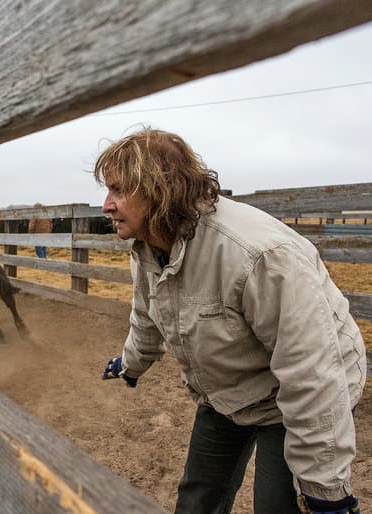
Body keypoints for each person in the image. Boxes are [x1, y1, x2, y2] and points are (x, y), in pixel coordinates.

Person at [96, 127, 365, 514]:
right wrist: (131, 363)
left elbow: (313, 374)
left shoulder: (258, 256)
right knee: (197, 499)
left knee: (277, 505)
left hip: (290, 395)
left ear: (157, 189)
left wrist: (327, 493)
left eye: (118, 190)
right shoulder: (149, 248)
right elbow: (146, 314)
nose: (106, 205)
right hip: (227, 391)